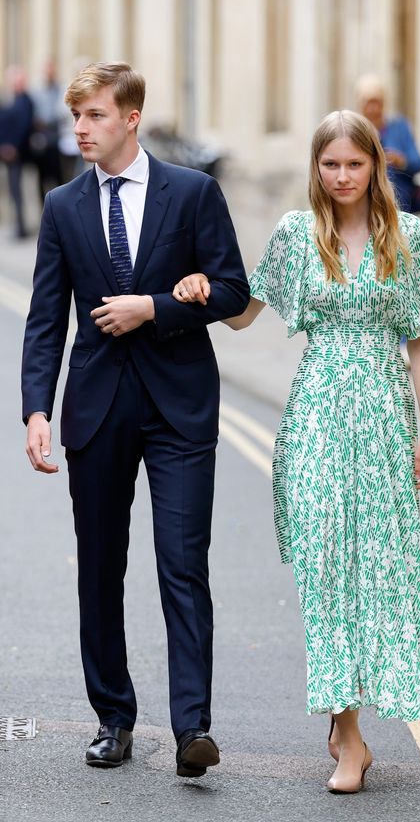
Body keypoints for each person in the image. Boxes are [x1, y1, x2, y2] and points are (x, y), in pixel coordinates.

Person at [172, 110, 420, 794]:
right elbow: (246, 311)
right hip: (318, 420)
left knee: (377, 572)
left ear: (376, 166)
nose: (344, 176)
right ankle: (349, 738)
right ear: (315, 169)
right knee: (327, 573)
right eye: (331, 164)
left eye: (356, 163)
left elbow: (419, 337)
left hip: (384, 422)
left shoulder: (405, 237)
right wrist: (203, 288)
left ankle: (351, 720)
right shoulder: (299, 235)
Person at [21, 62, 249, 775]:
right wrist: (36, 408)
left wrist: (155, 307)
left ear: (129, 118)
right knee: (100, 569)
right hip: (95, 408)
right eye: (75, 117)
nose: (79, 129)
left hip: (179, 406)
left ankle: (191, 730)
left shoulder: (193, 193)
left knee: (183, 566)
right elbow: (44, 320)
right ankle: (113, 719)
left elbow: (234, 291)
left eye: (92, 116)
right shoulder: (62, 206)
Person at [355, 74, 420, 212]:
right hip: (364, 206)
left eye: (377, 103)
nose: (373, 109)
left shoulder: (399, 128)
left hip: (399, 205)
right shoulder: (354, 131)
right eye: (368, 103)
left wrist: (401, 161)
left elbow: (419, 163)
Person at [0, 65, 34, 239]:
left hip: (17, 153)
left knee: (17, 191)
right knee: (11, 191)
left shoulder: (25, 100)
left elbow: (23, 126)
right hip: (5, 151)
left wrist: (12, 146)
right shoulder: (10, 99)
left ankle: (21, 228)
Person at [31, 61, 62, 200]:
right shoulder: (37, 92)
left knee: (59, 179)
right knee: (41, 179)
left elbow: (60, 112)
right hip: (42, 142)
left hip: (57, 141)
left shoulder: (61, 90)